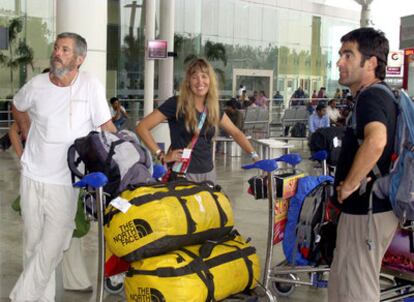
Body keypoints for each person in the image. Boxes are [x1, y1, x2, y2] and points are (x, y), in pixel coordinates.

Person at [10, 32, 116, 301]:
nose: (57, 53)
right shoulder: (36, 85)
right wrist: (25, 129)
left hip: (67, 179)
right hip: (33, 174)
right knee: (33, 243)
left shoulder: (90, 85)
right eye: (57, 48)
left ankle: (22, 296)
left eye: (65, 50)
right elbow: (18, 105)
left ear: (79, 59)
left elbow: (106, 126)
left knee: (55, 242)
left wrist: (126, 155)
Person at [328, 27, 398, 302]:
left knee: (355, 289)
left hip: (365, 209)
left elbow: (376, 141)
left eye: (348, 54)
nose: (340, 62)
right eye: (340, 54)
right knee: (347, 281)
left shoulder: (371, 96)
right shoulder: (381, 95)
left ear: (370, 63)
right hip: (371, 209)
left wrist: (348, 185)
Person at [136, 57, 259, 183]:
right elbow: (142, 127)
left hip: (208, 173)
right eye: (194, 77)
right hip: (183, 174)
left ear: (210, 80)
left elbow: (236, 133)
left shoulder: (213, 107)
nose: (200, 82)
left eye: (204, 76)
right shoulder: (177, 104)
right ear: (188, 81)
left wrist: (255, 156)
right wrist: (161, 156)